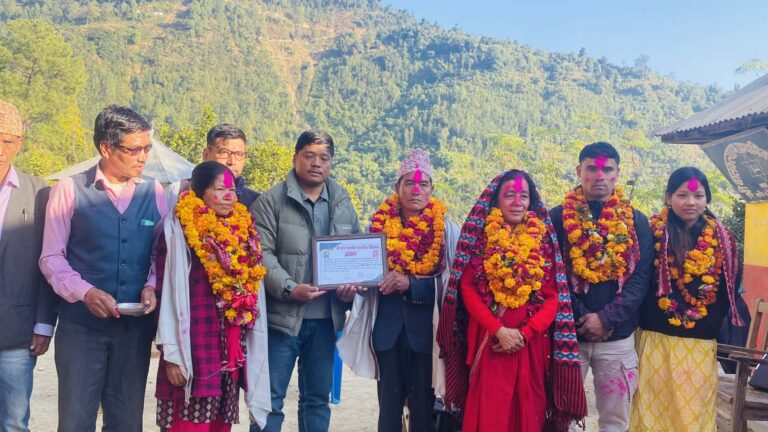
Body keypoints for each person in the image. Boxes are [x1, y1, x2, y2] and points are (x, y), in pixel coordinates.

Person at [39, 105, 167, 431]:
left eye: (147, 148)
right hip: (81, 328)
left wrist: (151, 284)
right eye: (134, 149)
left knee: (126, 422)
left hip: (133, 329)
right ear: (106, 148)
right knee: (76, 421)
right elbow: (51, 257)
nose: (143, 157)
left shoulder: (153, 191)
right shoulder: (69, 189)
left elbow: (159, 252)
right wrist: (86, 293)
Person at [437, 170, 587, 432]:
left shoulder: (542, 241)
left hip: (530, 346)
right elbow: (467, 288)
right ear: (496, 200)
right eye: (510, 195)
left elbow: (553, 297)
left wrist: (524, 334)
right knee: (490, 414)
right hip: (490, 342)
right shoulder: (480, 239)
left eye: (524, 196)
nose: (518, 202)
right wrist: (499, 330)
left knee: (529, 410)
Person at [337, 149, 461, 432]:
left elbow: (452, 284)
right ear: (397, 188)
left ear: (431, 190)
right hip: (387, 331)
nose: (416, 190)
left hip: (426, 334)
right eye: (409, 183)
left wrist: (411, 284)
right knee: (388, 411)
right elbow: (362, 276)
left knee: (423, 412)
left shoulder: (446, 231)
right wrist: (351, 289)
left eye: (423, 184)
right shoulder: (377, 228)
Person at [249, 130, 362, 432]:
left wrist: (351, 287)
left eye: (324, 157)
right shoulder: (270, 201)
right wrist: (290, 288)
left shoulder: (341, 200)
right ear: (295, 157)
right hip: (281, 320)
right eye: (309, 155)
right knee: (269, 401)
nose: (316, 163)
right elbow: (260, 254)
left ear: (331, 162)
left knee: (316, 401)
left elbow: (355, 248)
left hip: (326, 320)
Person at [155, 161, 271, 431]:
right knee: (187, 423)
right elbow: (165, 294)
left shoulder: (242, 231)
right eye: (220, 190)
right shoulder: (178, 230)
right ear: (199, 193)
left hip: (227, 345)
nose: (229, 196)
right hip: (192, 343)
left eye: (232, 190)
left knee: (219, 424)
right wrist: (171, 354)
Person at [630, 167, 746, 431]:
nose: (690, 202)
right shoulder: (651, 232)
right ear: (668, 197)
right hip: (656, 342)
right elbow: (638, 281)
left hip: (699, 346)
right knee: (652, 417)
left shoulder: (724, 239)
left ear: (707, 199)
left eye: (698, 195)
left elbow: (728, 293)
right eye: (682, 195)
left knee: (692, 417)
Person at [549, 142, 654, 432]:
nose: (599, 176)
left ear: (617, 173)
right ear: (578, 171)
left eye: (607, 169)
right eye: (591, 169)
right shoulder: (556, 218)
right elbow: (552, 274)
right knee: (561, 417)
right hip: (568, 335)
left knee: (616, 421)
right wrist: (584, 318)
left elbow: (640, 278)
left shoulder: (636, 221)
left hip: (618, 337)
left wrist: (607, 319)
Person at [0, 100, 57, 432]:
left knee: (14, 422)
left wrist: (44, 324)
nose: (1, 149)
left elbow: (48, 263)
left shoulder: (39, 194)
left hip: (17, 332)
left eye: (8, 141)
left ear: (19, 143)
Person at [165, 124, 259, 209]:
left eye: (239, 154)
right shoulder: (178, 191)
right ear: (206, 154)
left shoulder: (255, 202)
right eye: (224, 152)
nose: (232, 161)